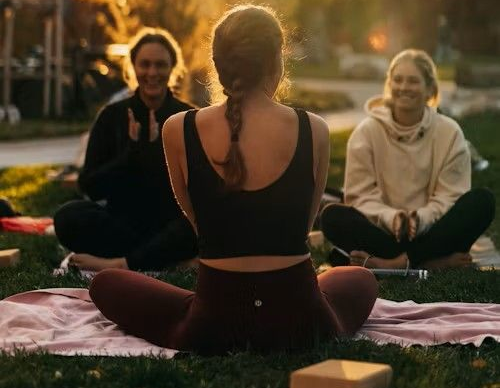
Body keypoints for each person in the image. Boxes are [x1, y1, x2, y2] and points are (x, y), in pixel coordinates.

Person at [88, 5, 378, 355]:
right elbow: (300, 227)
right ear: (277, 62)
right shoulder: (313, 128)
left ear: (217, 63)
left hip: (212, 323)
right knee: (358, 277)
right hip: (303, 320)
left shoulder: (177, 129)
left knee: (106, 284)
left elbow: (200, 227)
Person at [321, 49, 495, 270]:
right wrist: (392, 218)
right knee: (332, 217)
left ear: (430, 89)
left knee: (483, 201)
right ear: (389, 85)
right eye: (398, 80)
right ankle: (430, 262)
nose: (404, 87)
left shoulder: (450, 133)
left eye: (413, 81)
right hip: (383, 231)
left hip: (433, 229)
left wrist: (420, 219)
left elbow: (451, 196)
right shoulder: (366, 132)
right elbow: (359, 195)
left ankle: (397, 263)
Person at [53, 28, 198, 271]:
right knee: (67, 216)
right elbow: (89, 185)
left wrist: (154, 156)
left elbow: (198, 191)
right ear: (133, 67)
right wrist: (130, 157)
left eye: (160, 65)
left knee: (201, 223)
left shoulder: (189, 118)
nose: (152, 72)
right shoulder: (112, 116)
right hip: (123, 225)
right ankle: (164, 260)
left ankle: (124, 263)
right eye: (145, 64)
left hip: (170, 225)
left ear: (173, 68)